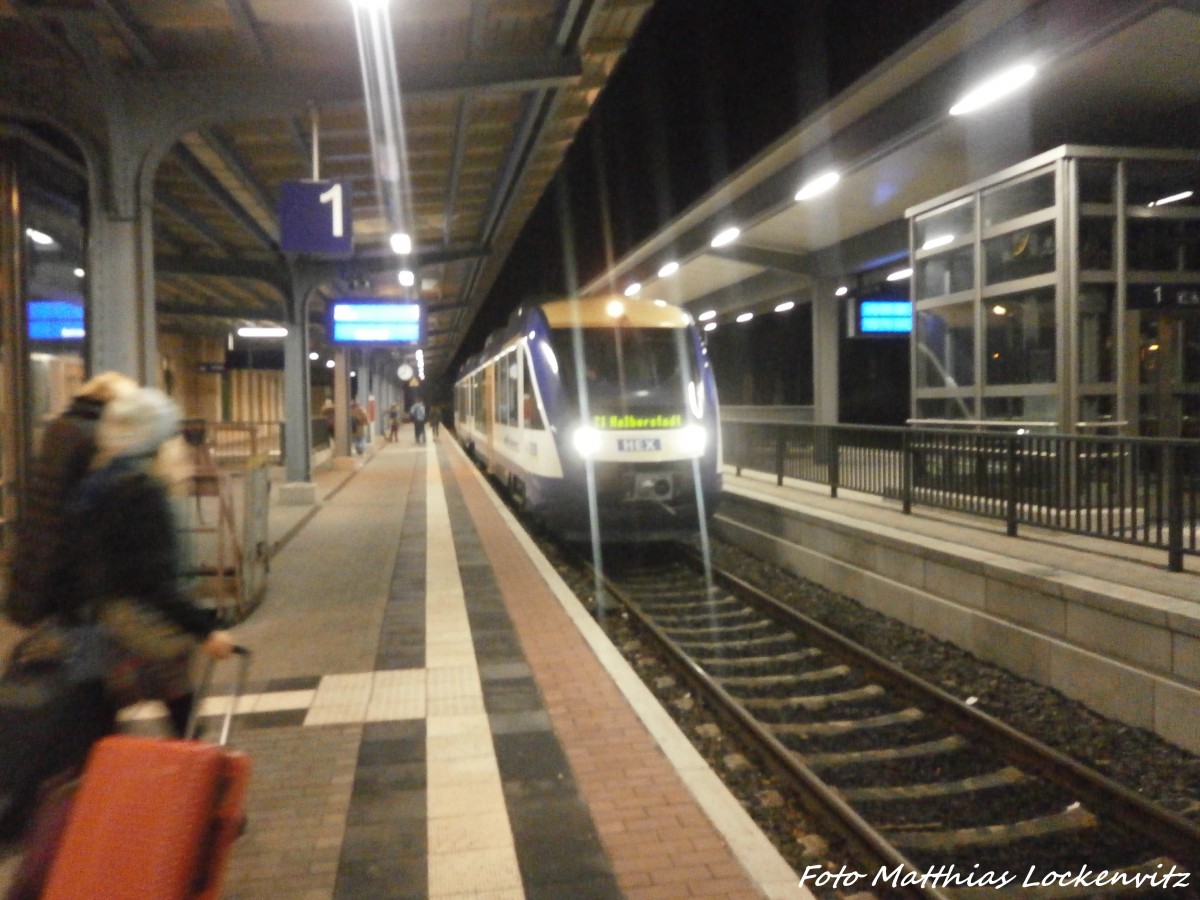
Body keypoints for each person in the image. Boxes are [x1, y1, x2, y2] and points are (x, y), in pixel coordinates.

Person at [67, 387, 235, 736]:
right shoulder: (143, 490)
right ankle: (182, 784)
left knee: (96, 728)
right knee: (184, 723)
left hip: (96, 626)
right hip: (142, 629)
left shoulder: (95, 483)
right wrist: (203, 629)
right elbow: (153, 579)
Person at [4, 371, 138, 628]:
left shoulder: (59, 427)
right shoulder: (95, 437)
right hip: (73, 563)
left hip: (43, 550)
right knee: (81, 644)